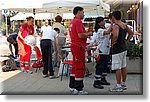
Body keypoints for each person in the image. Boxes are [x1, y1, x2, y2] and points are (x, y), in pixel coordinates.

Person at [69, 6, 93, 95]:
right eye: (83, 12)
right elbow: (80, 35)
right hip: (79, 46)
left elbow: (77, 34)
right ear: (79, 12)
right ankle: (78, 88)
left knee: (75, 67)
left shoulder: (72, 21)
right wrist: (89, 34)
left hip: (74, 46)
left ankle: (72, 86)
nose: (84, 14)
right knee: (80, 67)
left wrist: (86, 32)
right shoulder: (78, 21)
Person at [110, 11, 134, 92]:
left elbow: (116, 35)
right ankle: (123, 83)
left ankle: (118, 85)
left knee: (117, 67)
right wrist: (126, 41)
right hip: (123, 48)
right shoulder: (124, 25)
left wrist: (112, 42)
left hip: (117, 49)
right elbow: (131, 33)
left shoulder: (116, 26)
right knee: (123, 66)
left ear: (113, 17)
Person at [87, 17, 112, 89]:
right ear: (99, 23)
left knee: (104, 66)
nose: (104, 22)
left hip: (106, 50)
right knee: (100, 66)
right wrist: (112, 25)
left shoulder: (104, 28)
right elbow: (107, 32)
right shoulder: (99, 30)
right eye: (102, 21)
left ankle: (103, 79)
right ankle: (97, 82)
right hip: (101, 50)